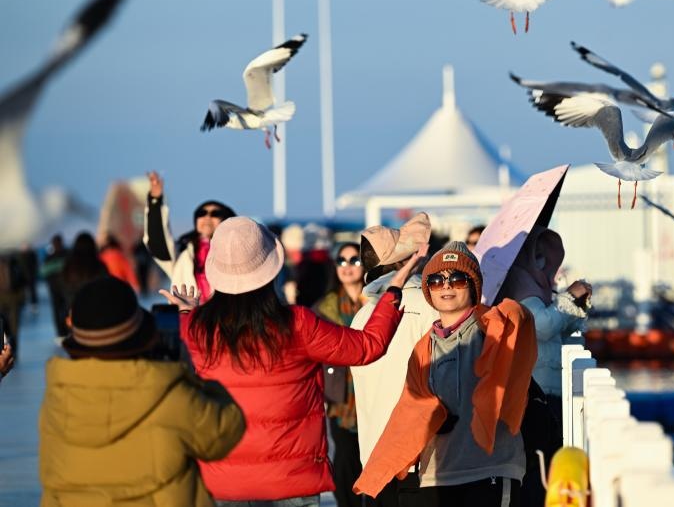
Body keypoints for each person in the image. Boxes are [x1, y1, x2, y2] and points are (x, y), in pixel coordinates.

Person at [161, 216, 414, 507]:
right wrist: (393, 290)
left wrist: (187, 314)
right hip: (291, 482)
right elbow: (367, 347)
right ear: (270, 269)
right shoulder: (297, 324)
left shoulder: (196, 329)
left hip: (221, 483)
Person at [354, 241, 537, 507]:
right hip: (436, 477)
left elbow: (521, 321)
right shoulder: (423, 346)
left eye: (458, 278)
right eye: (437, 280)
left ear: (473, 285)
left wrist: (511, 311)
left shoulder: (495, 328)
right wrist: (377, 472)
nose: (447, 285)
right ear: (427, 289)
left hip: (490, 471)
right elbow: (408, 412)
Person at [39, 277, 246, 506]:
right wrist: (185, 370)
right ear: (141, 336)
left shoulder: (56, 401)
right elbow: (227, 430)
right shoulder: (168, 393)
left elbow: (52, 487)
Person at [497, 226, 592, 507]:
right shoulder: (516, 284)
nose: (543, 261)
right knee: (538, 461)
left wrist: (579, 303)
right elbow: (542, 324)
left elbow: (559, 330)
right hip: (533, 391)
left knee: (551, 457)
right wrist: (569, 296)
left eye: (546, 255)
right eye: (537, 253)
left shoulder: (538, 286)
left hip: (552, 390)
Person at [349, 213, 437, 507]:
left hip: (374, 458)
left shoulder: (362, 317)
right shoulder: (429, 307)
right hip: (418, 458)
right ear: (402, 263)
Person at [312, 241, 367, 507]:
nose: (348, 266)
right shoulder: (324, 308)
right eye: (342, 261)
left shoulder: (377, 302)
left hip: (372, 392)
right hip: (340, 397)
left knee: (372, 458)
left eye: (354, 260)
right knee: (345, 459)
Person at [144, 170, 235, 303]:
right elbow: (157, 241)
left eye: (215, 213)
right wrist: (155, 200)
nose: (207, 217)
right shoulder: (182, 253)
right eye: (202, 213)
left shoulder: (235, 251)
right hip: (187, 318)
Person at [60, 232, 110, 318]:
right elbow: (106, 290)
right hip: (98, 314)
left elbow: (64, 290)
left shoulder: (68, 267)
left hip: (75, 314)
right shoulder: (99, 266)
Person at [40, 235, 70, 337]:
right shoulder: (68, 255)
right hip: (66, 288)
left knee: (57, 310)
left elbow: (43, 273)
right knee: (67, 309)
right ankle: (68, 329)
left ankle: (60, 332)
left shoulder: (49, 258)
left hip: (54, 288)